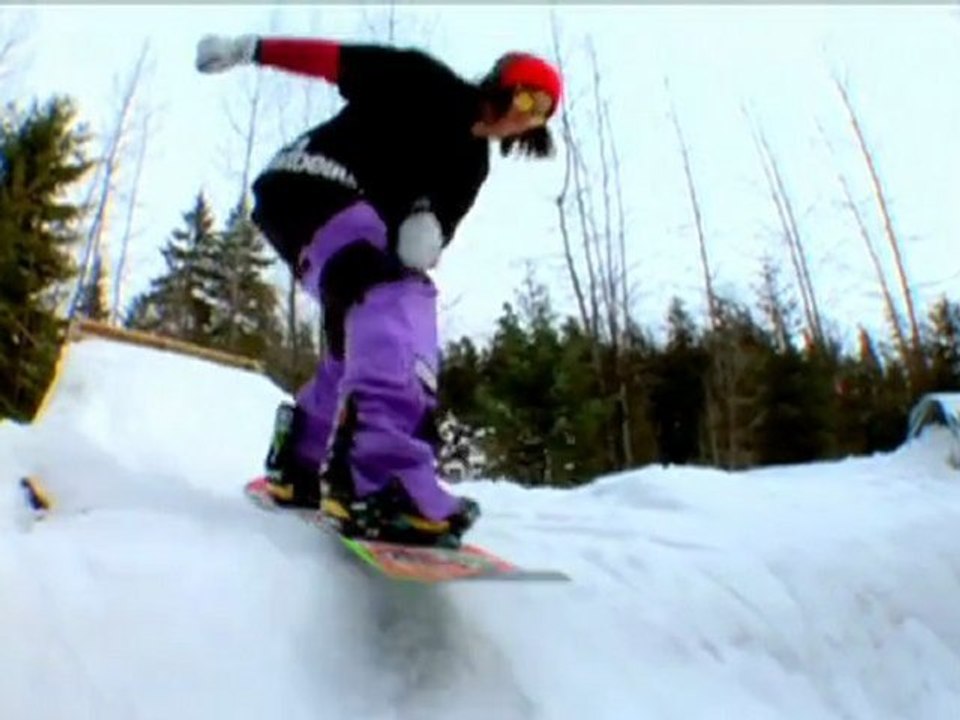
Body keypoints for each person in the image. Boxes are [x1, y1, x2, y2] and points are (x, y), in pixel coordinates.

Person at [195, 33, 562, 547]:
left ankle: (299, 462)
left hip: (352, 226)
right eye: (526, 97)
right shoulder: (427, 82)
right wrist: (251, 49)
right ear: (500, 84)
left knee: (370, 332)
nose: (528, 115)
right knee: (391, 297)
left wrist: (427, 228)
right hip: (310, 182)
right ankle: (378, 479)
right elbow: (332, 60)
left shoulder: (473, 165)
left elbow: (436, 227)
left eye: (543, 112)